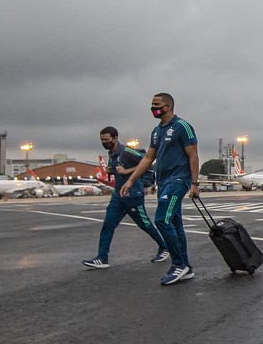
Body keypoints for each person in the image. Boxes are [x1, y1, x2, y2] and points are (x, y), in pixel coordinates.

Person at [121, 93, 200, 285]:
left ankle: (178, 263)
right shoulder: (156, 131)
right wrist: (131, 179)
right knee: (175, 223)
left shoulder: (183, 127)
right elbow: (148, 159)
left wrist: (195, 183)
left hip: (178, 180)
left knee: (161, 220)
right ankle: (186, 267)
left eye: (157, 104)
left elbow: (193, 155)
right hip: (163, 182)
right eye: (152, 104)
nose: (153, 108)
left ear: (168, 106)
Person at [81, 127, 169, 269]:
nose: (104, 142)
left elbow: (147, 162)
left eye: (107, 140)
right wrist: (112, 171)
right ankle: (102, 258)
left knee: (145, 224)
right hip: (118, 196)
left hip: (133, 195)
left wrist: (127, 171)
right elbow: (118, 170)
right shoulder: (111, 153)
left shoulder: (127, 151)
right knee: (108, 225)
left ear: (115, 138)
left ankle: (164, 247)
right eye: (102, 140)